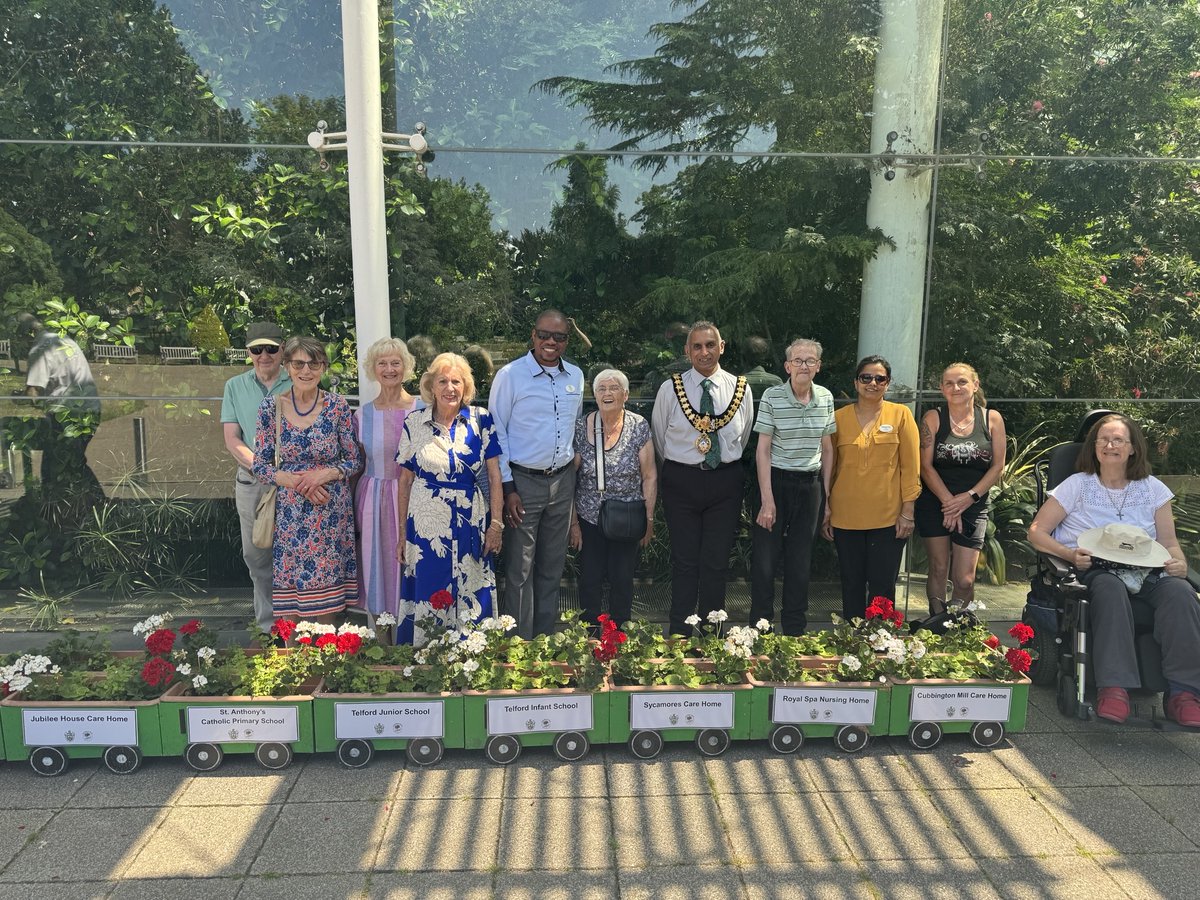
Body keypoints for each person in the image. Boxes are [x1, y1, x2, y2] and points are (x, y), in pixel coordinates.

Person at [1027, 413, 1200, 727]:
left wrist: (1179, 563)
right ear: (1093, 447)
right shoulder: (1077, 485)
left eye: (1118, 439)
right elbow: (1037, 531)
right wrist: (1068, 554)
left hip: (1147, 570)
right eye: (1102, 440)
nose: (1109, 445)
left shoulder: (1153, 489)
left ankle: (1184, 694)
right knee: (1110, 588)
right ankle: (1114, 688)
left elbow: (1169, 543)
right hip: (1097, 569)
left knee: (1182, 593)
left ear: (1133, 448)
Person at [652, 321, 754, 636]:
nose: (704, 352)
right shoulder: (671, 388)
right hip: (682, 480)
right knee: (684, 562)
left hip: (725, 481)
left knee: (716, 562)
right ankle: (680, 635)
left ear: (721, 347)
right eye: (697, 346)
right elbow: (659, 436)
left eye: (710, 345)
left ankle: (713, 634)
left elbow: (744, 433)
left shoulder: (741, 387)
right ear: (687, 350)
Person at [395, 352, 503, 645]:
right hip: (426, 525)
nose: (450, 388)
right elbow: (404, 481)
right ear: (431, 387)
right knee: (428, 588)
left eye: (456, 381)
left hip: (471, 519)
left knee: (472, 587)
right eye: (442, 381)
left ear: (465, 387)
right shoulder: (414, 422)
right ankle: (423, 657)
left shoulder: (481, 420)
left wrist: (496, 525)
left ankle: (472, 658)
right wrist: (402, 534)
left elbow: (494, 477)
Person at [489, 309, 584, 638]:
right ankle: (518, 646)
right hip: (523, 483)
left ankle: (543, 643)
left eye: (558, 337)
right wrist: (508, 486)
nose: (550, 342)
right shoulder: (510, 376)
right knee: (520, 569)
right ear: (533, 335)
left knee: (552, 567)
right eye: (544, 335)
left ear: (566, 341)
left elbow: (574, 430)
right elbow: (496, 433)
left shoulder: (576, 376)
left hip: (562, 482)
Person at [253, 336, 361, 623]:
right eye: (298, 363)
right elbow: (260, 466)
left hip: (329, 513)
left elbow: (353, 460)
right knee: (293, 604)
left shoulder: (337, 407)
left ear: (323, 367)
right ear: (287, 366)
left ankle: (328, 660)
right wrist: (296, 482)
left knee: (327, 603)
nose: (306, 370)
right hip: (292, 515)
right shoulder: (270, 408)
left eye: (314, 363)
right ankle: (294, 663)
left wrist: (323, 475)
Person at [822, 355, 920, 621]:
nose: (873, 383)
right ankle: (853, 642)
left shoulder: (901, 415)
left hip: (888, 518)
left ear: (887, 384)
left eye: (880, 379)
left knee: (882, 586)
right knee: (850, 583)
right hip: (846, 516)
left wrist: (908, 511)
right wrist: (827, 508)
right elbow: (829, 468)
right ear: (856, 382)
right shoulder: (837, 418)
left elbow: (911, 466)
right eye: (866, 377)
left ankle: (881, 642)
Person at [750, 338, 835, 635]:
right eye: (798, 360)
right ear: (787, 366)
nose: (804, 366)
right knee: (765, 561)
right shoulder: (772, 397)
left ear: (818, 367)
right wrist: (766, 500)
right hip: (775, 481)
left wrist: (827, 496)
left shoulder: (825, 397)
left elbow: (827, 448)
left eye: (810, 361)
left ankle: (795, 631)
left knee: (800, 562)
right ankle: (760, 630)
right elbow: (763, 449)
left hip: (809, 485)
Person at [915, 363, 1007, 615]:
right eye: (949, 383)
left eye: (962, 382)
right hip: (936, 502)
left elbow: (997, 466)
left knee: (965, 579)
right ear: (942, 388)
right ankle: (936, 625)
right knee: (938, 568)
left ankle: (959, 627)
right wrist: (949, 503)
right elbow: (925, 466)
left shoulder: (992, 419)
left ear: (975, 385)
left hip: (974, 503)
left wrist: (968, 498)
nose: (956, 387)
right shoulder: (933, 418)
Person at [568, 369, 657, 630]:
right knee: (590, 579)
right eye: (602, 389)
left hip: (627, 518)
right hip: (589, 517)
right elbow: (569, 479)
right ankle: (590, 636)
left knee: (622, 579)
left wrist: (648, 519)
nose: (608, 393)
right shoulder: (582, 426)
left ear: (626, 395)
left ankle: (620, 636)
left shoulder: (638, 425)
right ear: (594, 396)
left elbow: (649, 475)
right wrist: (573, 523)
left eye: (614, 388)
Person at [221, 322, 292, 633]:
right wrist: (266, 470)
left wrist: (286, 476)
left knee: (293, 552)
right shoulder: (234, 386)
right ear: (248, 352)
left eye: (271, 349)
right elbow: (232, 439)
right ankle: (268, 629)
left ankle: (297, 625)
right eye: (257, 349)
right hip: (253, 481)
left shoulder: (299, 379)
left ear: (282, 350)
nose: (264, 355)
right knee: (256, 554)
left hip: (295, 480)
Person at [354, 337, 419, 627]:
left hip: (415, 498)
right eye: (383, 363)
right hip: (373, 500)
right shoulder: (361, 415)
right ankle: (382, 645)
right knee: (376, 565)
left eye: (396, 362)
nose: (390, 369)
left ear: (406, 367)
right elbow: (355, 464)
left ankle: (412, 641)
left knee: (411, 566)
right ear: (373, 369)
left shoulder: (422, 409)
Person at [18, 313, 103, 510]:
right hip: (90, 409)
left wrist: (17, 397)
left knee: (56, 465)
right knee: (73, 462)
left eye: (20, 337)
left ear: (28, 333)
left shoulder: (40, 349)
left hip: (67, 414)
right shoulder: (64, 341)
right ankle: (95, 505)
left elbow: (33, 394)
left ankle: (55, 511)